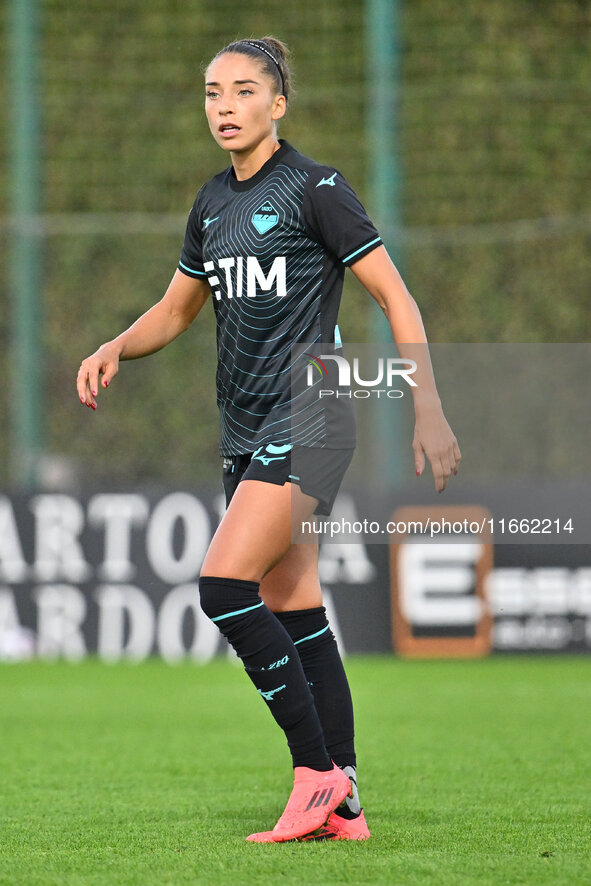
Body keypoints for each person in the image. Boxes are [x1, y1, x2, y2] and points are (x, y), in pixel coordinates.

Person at [77, 36, 461, 843]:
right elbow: (178, 310)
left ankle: (315, 775)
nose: (224, 105)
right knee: (294, 605)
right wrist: (116, 344)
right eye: (213, 91)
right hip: (246, 428)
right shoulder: (211, 204)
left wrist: (427, 406)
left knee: (223, 588)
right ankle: (344, 796)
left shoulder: (314, 188)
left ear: (277, 103)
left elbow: (394, 295)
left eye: (244, 90)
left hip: (312, 413)